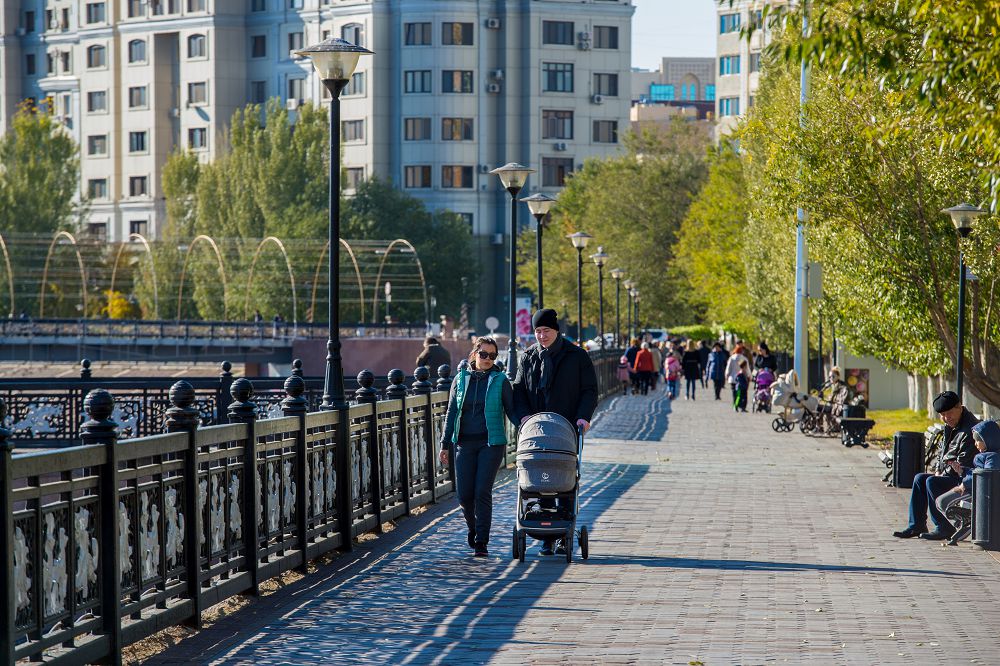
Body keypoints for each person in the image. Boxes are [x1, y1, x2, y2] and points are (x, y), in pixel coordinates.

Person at [513, 308, 598, 555]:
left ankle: (563, 531)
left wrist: (583, 417)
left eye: (546, 331)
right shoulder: (528, 356)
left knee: (565, 475)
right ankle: (546, 536)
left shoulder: (577, 356)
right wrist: (524, 417)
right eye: (537, 331)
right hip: (537, 429)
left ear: (556, 331)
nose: (541, 336)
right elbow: (518, 390)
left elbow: (589, 390)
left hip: (567, 427)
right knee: (540, 475)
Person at [438, 337, 516, 557]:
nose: (488, 359)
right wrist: (444, 444)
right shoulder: (460, 379)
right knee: (464, 495)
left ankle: (482, 541)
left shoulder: (500, 380)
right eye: (484, 354)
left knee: (482, 491)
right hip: (464, 443)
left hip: (491, 444)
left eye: (492, 356)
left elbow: (511, 411)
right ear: (474, 354)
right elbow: (451, 412)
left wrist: (528, 426)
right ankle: (473, 529)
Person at [893, 391, 979, 540]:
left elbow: (963, 465)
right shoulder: (950, 426)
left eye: (950, 413)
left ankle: (944, 527)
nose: (947, 418)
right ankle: (916, 525)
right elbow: (943, 453)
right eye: (943, 415)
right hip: (951, 473)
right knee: (919, 478)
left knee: (931, 481)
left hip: (966, 479)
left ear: (960, 407)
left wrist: (942, 473)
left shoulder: (969, 429)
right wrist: (939, 469)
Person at [936, 420, 1000, 532]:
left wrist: (964, 484)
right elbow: (978, 472)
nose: (975, 444)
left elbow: (986, 476)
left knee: (943, 502)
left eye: (978, 441)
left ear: (987, 440)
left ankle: (965, 524)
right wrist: (962, 471)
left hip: (980, 493)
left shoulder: (993, 457)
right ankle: (964, 524)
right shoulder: (986, 454)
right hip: (974, 488)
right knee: (940, 502)